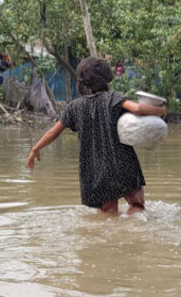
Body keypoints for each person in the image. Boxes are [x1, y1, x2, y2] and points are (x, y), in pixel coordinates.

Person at [26, 57, 166, 214]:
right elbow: (138, 108)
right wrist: (161, 111)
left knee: (108, 214)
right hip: (123, 164)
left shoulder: (74, 107)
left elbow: (53, 133)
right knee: (137, 205)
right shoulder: (113, 98)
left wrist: (35, 149)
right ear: (105, 79)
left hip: (96, 172)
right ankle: (133, 232)